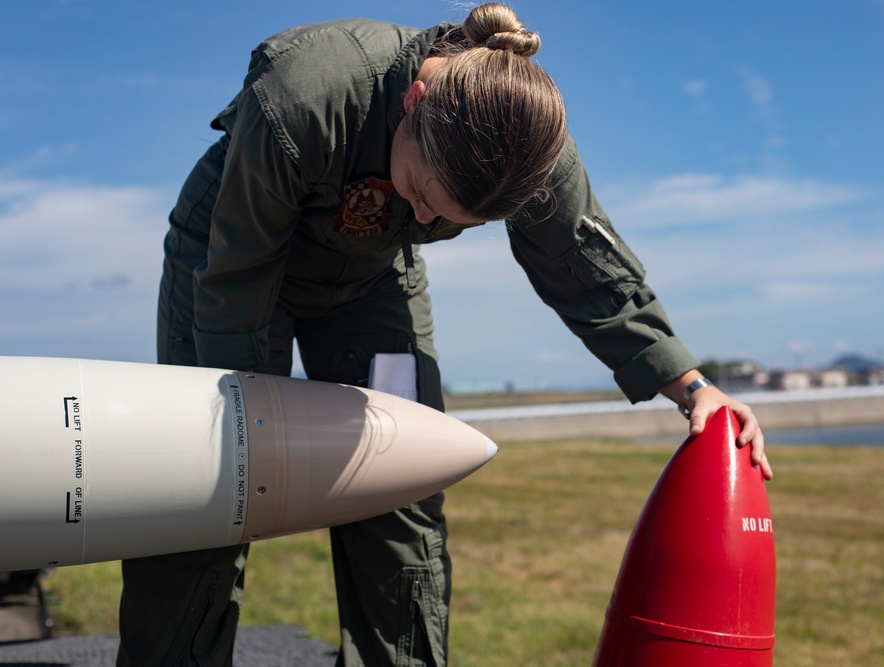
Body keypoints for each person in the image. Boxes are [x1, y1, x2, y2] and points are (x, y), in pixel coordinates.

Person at [120, 3, 772, 665]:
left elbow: (582, 265)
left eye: (447, 216)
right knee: (209, 486)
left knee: (401, 488)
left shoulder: (527, 151)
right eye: (419, 189)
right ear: (414, 100)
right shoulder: (306, 95)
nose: (423, 214)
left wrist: (692, 385)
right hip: (232, 256)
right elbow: (238, 277)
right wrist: (247, 417)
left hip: (372, 273)